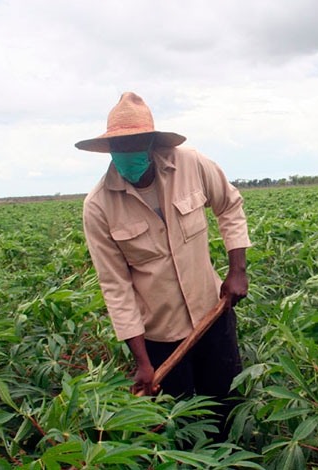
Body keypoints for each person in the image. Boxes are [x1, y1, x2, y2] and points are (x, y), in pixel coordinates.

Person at [76, 92, 251, 440]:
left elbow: (229, 206)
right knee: (181, 426)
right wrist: (143, 361)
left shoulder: (191, 164)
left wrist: (237, 270)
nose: (127, 153)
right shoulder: (98, 207)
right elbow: (115, 287)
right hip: (160, 336)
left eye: (135, 142)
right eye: (119, 146)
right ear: (109, 149)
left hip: (212, 314)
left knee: (226, 406)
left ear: (152, 141)